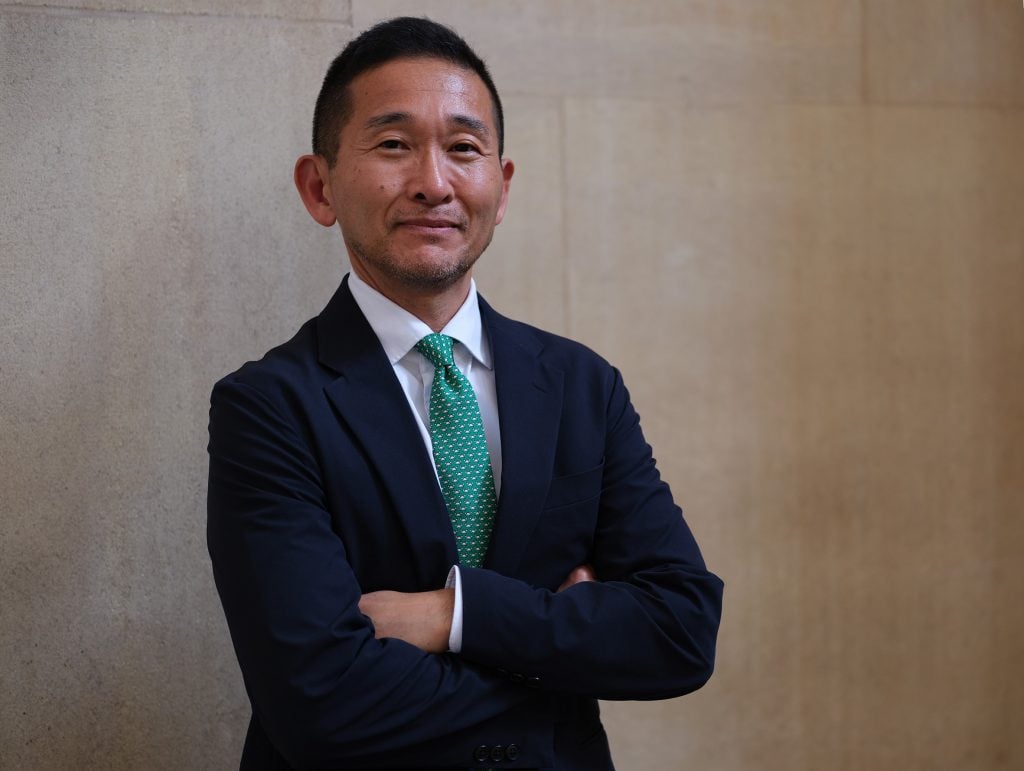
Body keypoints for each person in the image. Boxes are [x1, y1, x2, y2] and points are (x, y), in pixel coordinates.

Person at [207, 16, 723, 771]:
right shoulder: (270, 405)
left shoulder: (583, 386)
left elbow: (681, 630)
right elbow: (321, 701)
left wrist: (456, 615)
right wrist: (568, 656)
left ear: (501, 186)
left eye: (463, 147)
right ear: (320, 187)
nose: (434, 182)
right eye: (393, 144)